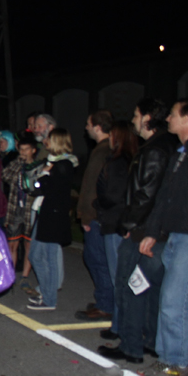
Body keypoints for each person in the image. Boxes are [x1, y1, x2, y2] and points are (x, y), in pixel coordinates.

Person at [134, 99, 188, 376]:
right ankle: (167, 357)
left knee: (176, 301)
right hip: (175, 236)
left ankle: (178, 363)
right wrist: (153, 231)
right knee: (170, 300)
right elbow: (165, 197)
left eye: (172, 114)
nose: (167, 118)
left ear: (186, 118)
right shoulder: (182, 151)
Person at [97, 99, 176, 364]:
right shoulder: (165, 146)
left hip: (144, 231)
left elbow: (145, 195)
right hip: (158, 231)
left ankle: (131, 346)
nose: (133, 120)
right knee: (151, 289)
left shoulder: (154, 150)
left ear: (148, 118)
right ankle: (151, 341)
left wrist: (127, 225)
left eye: (136, 114)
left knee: (130, 287)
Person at [93, 121, 138, 338]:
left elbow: (114, 195)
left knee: (118, 277)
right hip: (120, 222)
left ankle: (120, 327)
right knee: (122, 277)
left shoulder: (118, 163)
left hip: (115, 223)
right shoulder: (130, 160)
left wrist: (99, 203)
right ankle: (122, 324)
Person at [26, 128, 78, 311]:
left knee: (48, 257)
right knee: (36, 255)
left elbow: (48, 188)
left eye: (49, 139)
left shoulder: (64, 164)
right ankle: (47, 293)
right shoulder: (56, 163)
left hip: (54, 216)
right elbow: (38, 187)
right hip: (47, 213)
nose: (46, 141)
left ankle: (49, 298)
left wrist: (45, 175)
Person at [75, 110, 113, 321]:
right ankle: (104, 299)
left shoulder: (102, 152)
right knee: (97, 258)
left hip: (96, 217)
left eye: (89, 124)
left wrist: (86, 215)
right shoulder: (103, 149)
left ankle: (106, 304)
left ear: (98, 127)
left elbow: (92, 188)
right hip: (98, 215)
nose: (86, 128)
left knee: (97, 259)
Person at [1, 134, 43, 293]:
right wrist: (19, 162)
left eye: (27, 150)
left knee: (28, 244)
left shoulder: (39, 167)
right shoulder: (16, 164)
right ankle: (11, 276)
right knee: (12, 243)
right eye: (21, 149)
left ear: (33, 150)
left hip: (29, 209)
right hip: (14, 210)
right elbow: (5, 176)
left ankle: (25, 277)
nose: (23, 152)